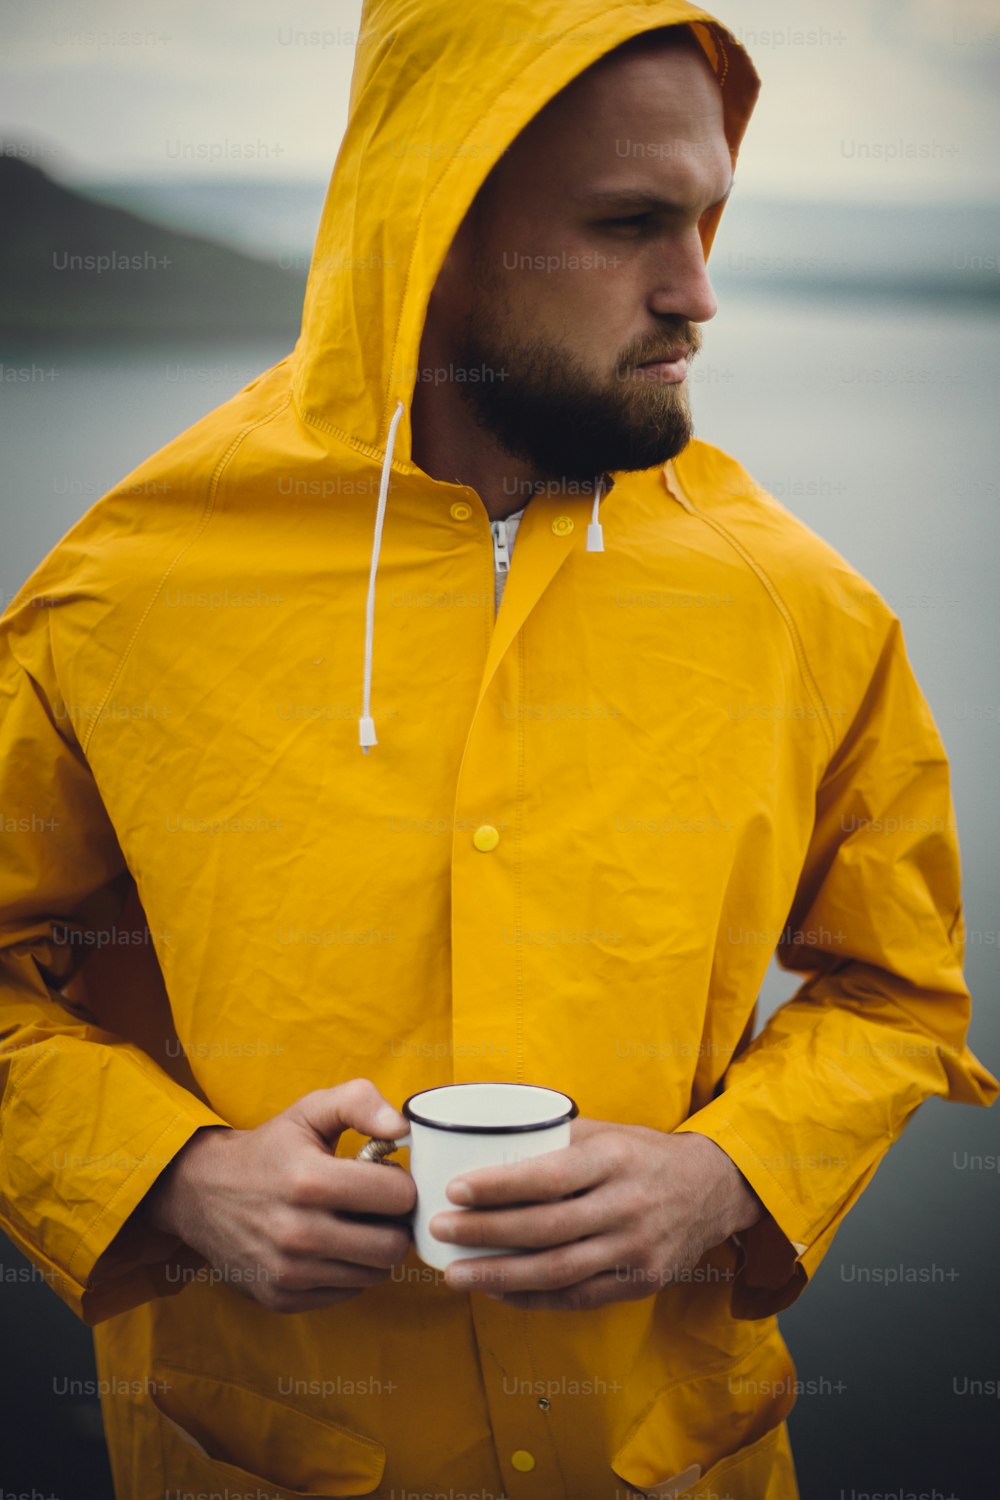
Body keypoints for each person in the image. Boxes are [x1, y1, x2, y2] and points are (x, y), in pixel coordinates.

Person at [1, 3, 995, 1497]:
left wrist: (729, 1176)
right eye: (630, 225)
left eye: (712, 216)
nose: (698, 293)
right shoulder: (121, 588)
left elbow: (899, 990)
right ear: (437, 225)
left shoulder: (807, 607)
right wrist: (173, 1178)